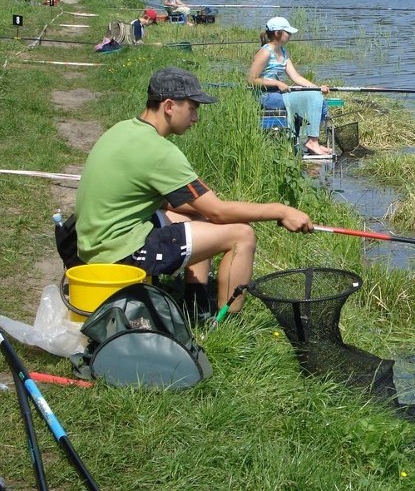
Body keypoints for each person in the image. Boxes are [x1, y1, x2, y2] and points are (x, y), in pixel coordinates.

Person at [75, 67, 315, 318]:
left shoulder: (124, 129)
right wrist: (281, 210)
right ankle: (227, 323)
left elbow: (178, 204)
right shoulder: (159, 152)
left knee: (202, 219)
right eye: (192, 109)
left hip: (92, 242)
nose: (196, 118)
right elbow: (219, 212)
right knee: (242, 235)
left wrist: (208, 210)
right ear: (169, 106)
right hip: (119, 252)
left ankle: (197, 306)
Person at [247, 17, 333, 156]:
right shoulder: (265, 52)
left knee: (319, 99)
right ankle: (312, 142)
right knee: (312, 98)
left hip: (278, 94)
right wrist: (276, 83)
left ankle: (312, 141)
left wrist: (317, 88)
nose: (290, 35)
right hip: (265, 96)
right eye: (288, 32)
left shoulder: (283, 51)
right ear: (277, 33)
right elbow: (251, 80)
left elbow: (296, 77)